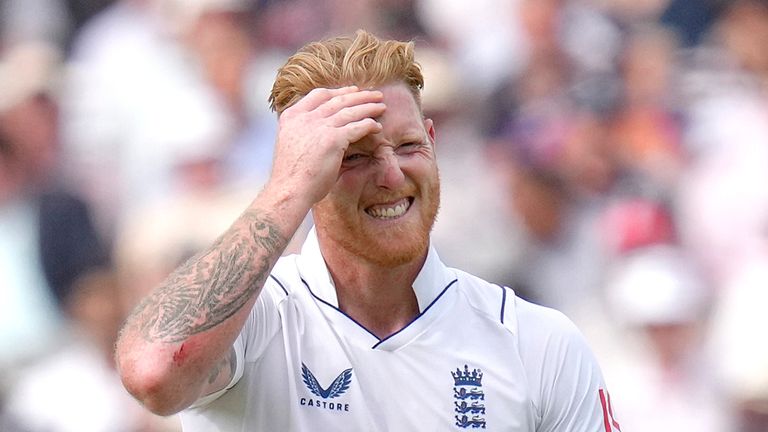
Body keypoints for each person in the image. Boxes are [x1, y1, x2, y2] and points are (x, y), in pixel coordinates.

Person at [115, 29, 621, 431]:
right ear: (305, 170)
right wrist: (285, 190)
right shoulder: (258, 323)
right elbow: (154, 372)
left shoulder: (537, 344)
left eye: (407, 147)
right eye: (353, 156)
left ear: (432, 139)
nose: (391, 175)